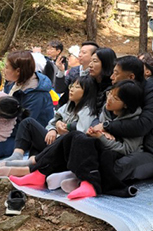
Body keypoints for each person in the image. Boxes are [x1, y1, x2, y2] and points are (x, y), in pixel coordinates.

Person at [11, 80, 144, 200]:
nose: (109, 99)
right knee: (73, 136)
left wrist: (101, 137)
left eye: (115, 98)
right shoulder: (106, 110)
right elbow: (56, 121)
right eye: (110, 94)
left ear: (126, 104)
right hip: (92, 145)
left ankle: (89, 183)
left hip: (111, 153)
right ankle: (40, 174)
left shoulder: (135, 122)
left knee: (77, 137)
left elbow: (127, 149)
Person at [93, 54, 153, 183]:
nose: (112, 78)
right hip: (121, 143)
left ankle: (89, 180)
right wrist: (100, 129)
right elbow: (98, 116)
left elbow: (142, 126)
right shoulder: (115, 91)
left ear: (131, 77)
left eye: (116, 74)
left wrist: (107, 126)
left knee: (120, 166)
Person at [0, 74, 98, 169]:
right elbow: (52, 121)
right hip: (54, 140)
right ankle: (17, 155)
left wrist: (65, 129)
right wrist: (53, 129)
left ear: (86, 92)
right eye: (71, 86)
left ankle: (31, 163)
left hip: (63, 148)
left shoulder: (87, 111)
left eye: (77, 87)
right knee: (28, 123)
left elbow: (80, 135)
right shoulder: (68, 106)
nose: (71, 89)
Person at [3, 51, 54, 128]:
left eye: (6, 67)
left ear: (18, 71)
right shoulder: (13, 82)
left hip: (29, 135)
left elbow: (23, 124)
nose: (3, 70)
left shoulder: (35, 93)